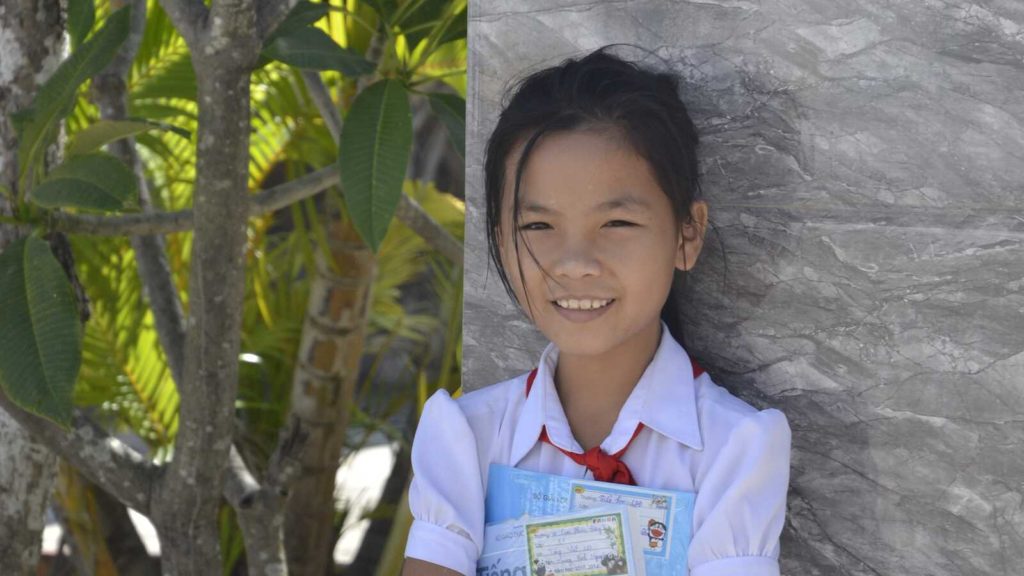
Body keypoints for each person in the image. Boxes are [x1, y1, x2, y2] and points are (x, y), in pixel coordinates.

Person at [402, 45, 792, 576]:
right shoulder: (466, 438)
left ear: (688, 233)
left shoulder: (736, 449)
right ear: (500, 237)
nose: (576, 263)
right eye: (538, 226)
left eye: (617, 224)